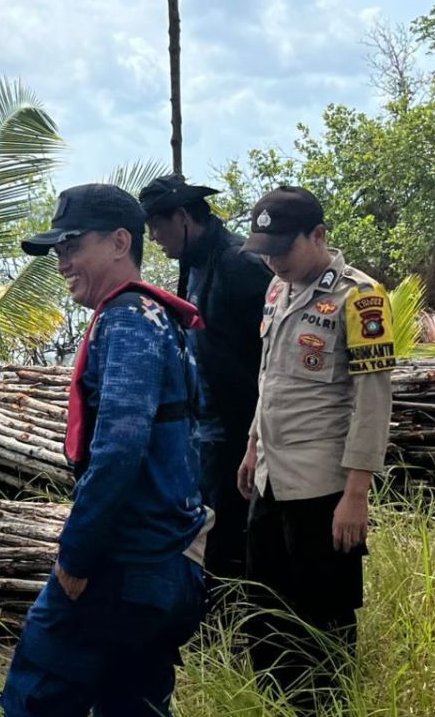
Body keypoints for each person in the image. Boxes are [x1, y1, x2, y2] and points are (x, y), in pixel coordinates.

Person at [0, 183, 210, 717]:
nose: (63, 261)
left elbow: (120, 448)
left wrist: (76, 556)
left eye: (73, 245)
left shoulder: (128, 321)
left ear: (120, 242)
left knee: (35, 700)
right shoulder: (162, 319)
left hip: (126, 564)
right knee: (133, 703)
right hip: (165, 560)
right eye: (59, 251)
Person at [237, 186, 394, 709]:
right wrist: (252, 446)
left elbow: (372, 403)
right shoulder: (276, 292)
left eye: (283, 248)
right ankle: (276, 702)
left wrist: (357, 494)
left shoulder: (362, 297)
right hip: (271, 478)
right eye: (266, 250)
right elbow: (271, 380)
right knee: (267, 609)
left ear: (319, 236)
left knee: (323, 616)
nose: (274, 260)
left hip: (323, 486)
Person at [139, 174, 272, 582]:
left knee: (230, 531)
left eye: (157, 227)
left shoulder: (240, 263)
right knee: (206, 525)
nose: (155, 238)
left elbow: (270, 353)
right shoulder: (194, 262)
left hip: (237, 426)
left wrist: (254, 433)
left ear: (182, 216)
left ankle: (232, 616)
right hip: (202, 426)